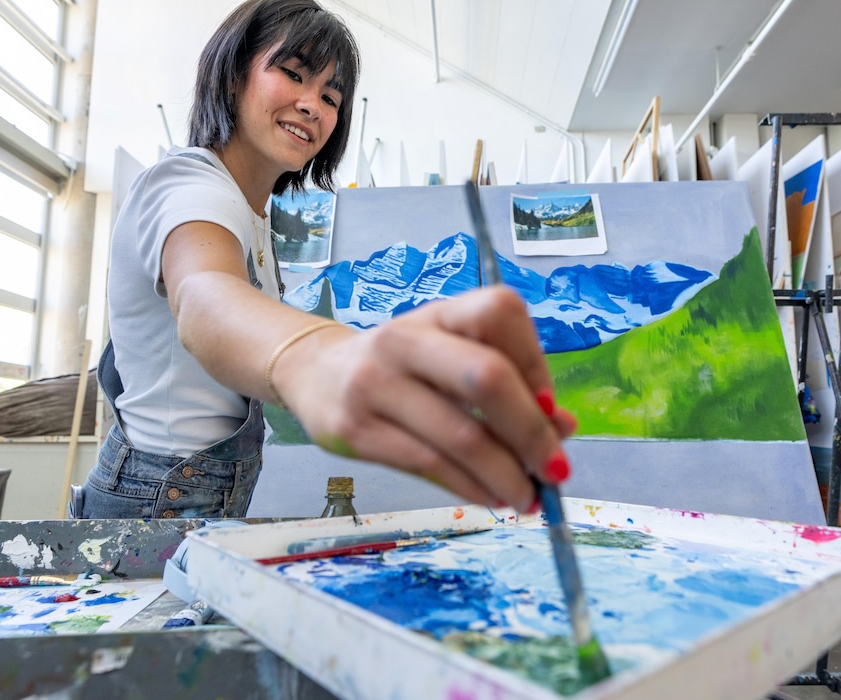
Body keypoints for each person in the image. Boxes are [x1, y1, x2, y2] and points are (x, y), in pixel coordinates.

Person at [71, 0, 575, 521]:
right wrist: (319, 358)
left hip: (200, 500)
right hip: (148, 502)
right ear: (230, 75)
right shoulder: (190, 185)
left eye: (331, 97)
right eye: (293, 74)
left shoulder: (255, 213)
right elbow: (205, 297)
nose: (314, 105)